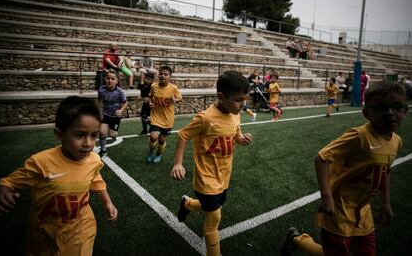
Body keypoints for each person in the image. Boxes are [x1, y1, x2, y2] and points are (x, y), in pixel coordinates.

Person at [281, 81, 408, 256]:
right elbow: (322, 158)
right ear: (366, 113)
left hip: (363, 211)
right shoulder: (360, 136)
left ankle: (295, 240)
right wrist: (327, 198)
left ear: (405, 111)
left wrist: (385, 202)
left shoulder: (396, 141)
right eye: (380, 108)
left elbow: (385, 172)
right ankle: (298, 240)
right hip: (338, 209)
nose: (390, 113)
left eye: (397, 107)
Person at [0, 96, 118, 255]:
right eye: (80, 135)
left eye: (94, 135)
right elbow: (10, 182)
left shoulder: (94, 160)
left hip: (81, 227)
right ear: (59, 134)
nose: (89, 143)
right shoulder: (40, 162)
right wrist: (4, 189)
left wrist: (108, 203)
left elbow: (96, 179)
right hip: (44, 230)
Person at [170, 71, 253, 256]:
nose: (243, 105)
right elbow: (183, 135)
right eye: (239, 100)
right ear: (221, 97)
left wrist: (241, 139)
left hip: (224, 176)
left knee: (213, 206)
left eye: (245, 99)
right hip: (206, 177)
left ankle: (187, 204)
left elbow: (235, 134)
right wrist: (178, 163)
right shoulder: (205, 118)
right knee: (214, 217)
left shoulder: (235, 114)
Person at [146, 65, 182, 164]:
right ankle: (151, 151)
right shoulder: (154, 86)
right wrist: (150, 102)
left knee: (162, 140)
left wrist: (175, 100)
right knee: (153, 137)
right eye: (161, 74)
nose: (162, 76)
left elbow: (180, 98)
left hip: (167, 119)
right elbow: (150, 96)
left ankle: (158, 154)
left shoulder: (173, 88)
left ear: (170, 77)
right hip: (155, 116)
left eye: (165, 74)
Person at [98, 69, 128, 157]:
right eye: (108, 78)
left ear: (116, 81)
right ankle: (103, 150)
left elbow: (125, 102)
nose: (110, 80)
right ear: (104, 79)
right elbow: (100, 101)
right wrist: (99, 112)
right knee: (102, 132)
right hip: (106, 114)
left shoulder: (120, 92)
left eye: (112, 79)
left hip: (115, 117)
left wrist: (121, 110)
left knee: (112, 134)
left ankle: (114, 133)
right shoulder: (101, 89)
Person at [138, 70, 155, 135]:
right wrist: (141, 98)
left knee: (148, 117)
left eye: (148, 79)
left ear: (152, 80)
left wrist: (149, 99)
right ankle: (145, 130)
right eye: (145, 78)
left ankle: (152, 127)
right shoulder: (142, 86)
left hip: (151, 105)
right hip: (145, 104)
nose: (146, 80)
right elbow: (142, 95)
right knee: (143, 117)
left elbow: (155, 96)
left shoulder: (153, 87)